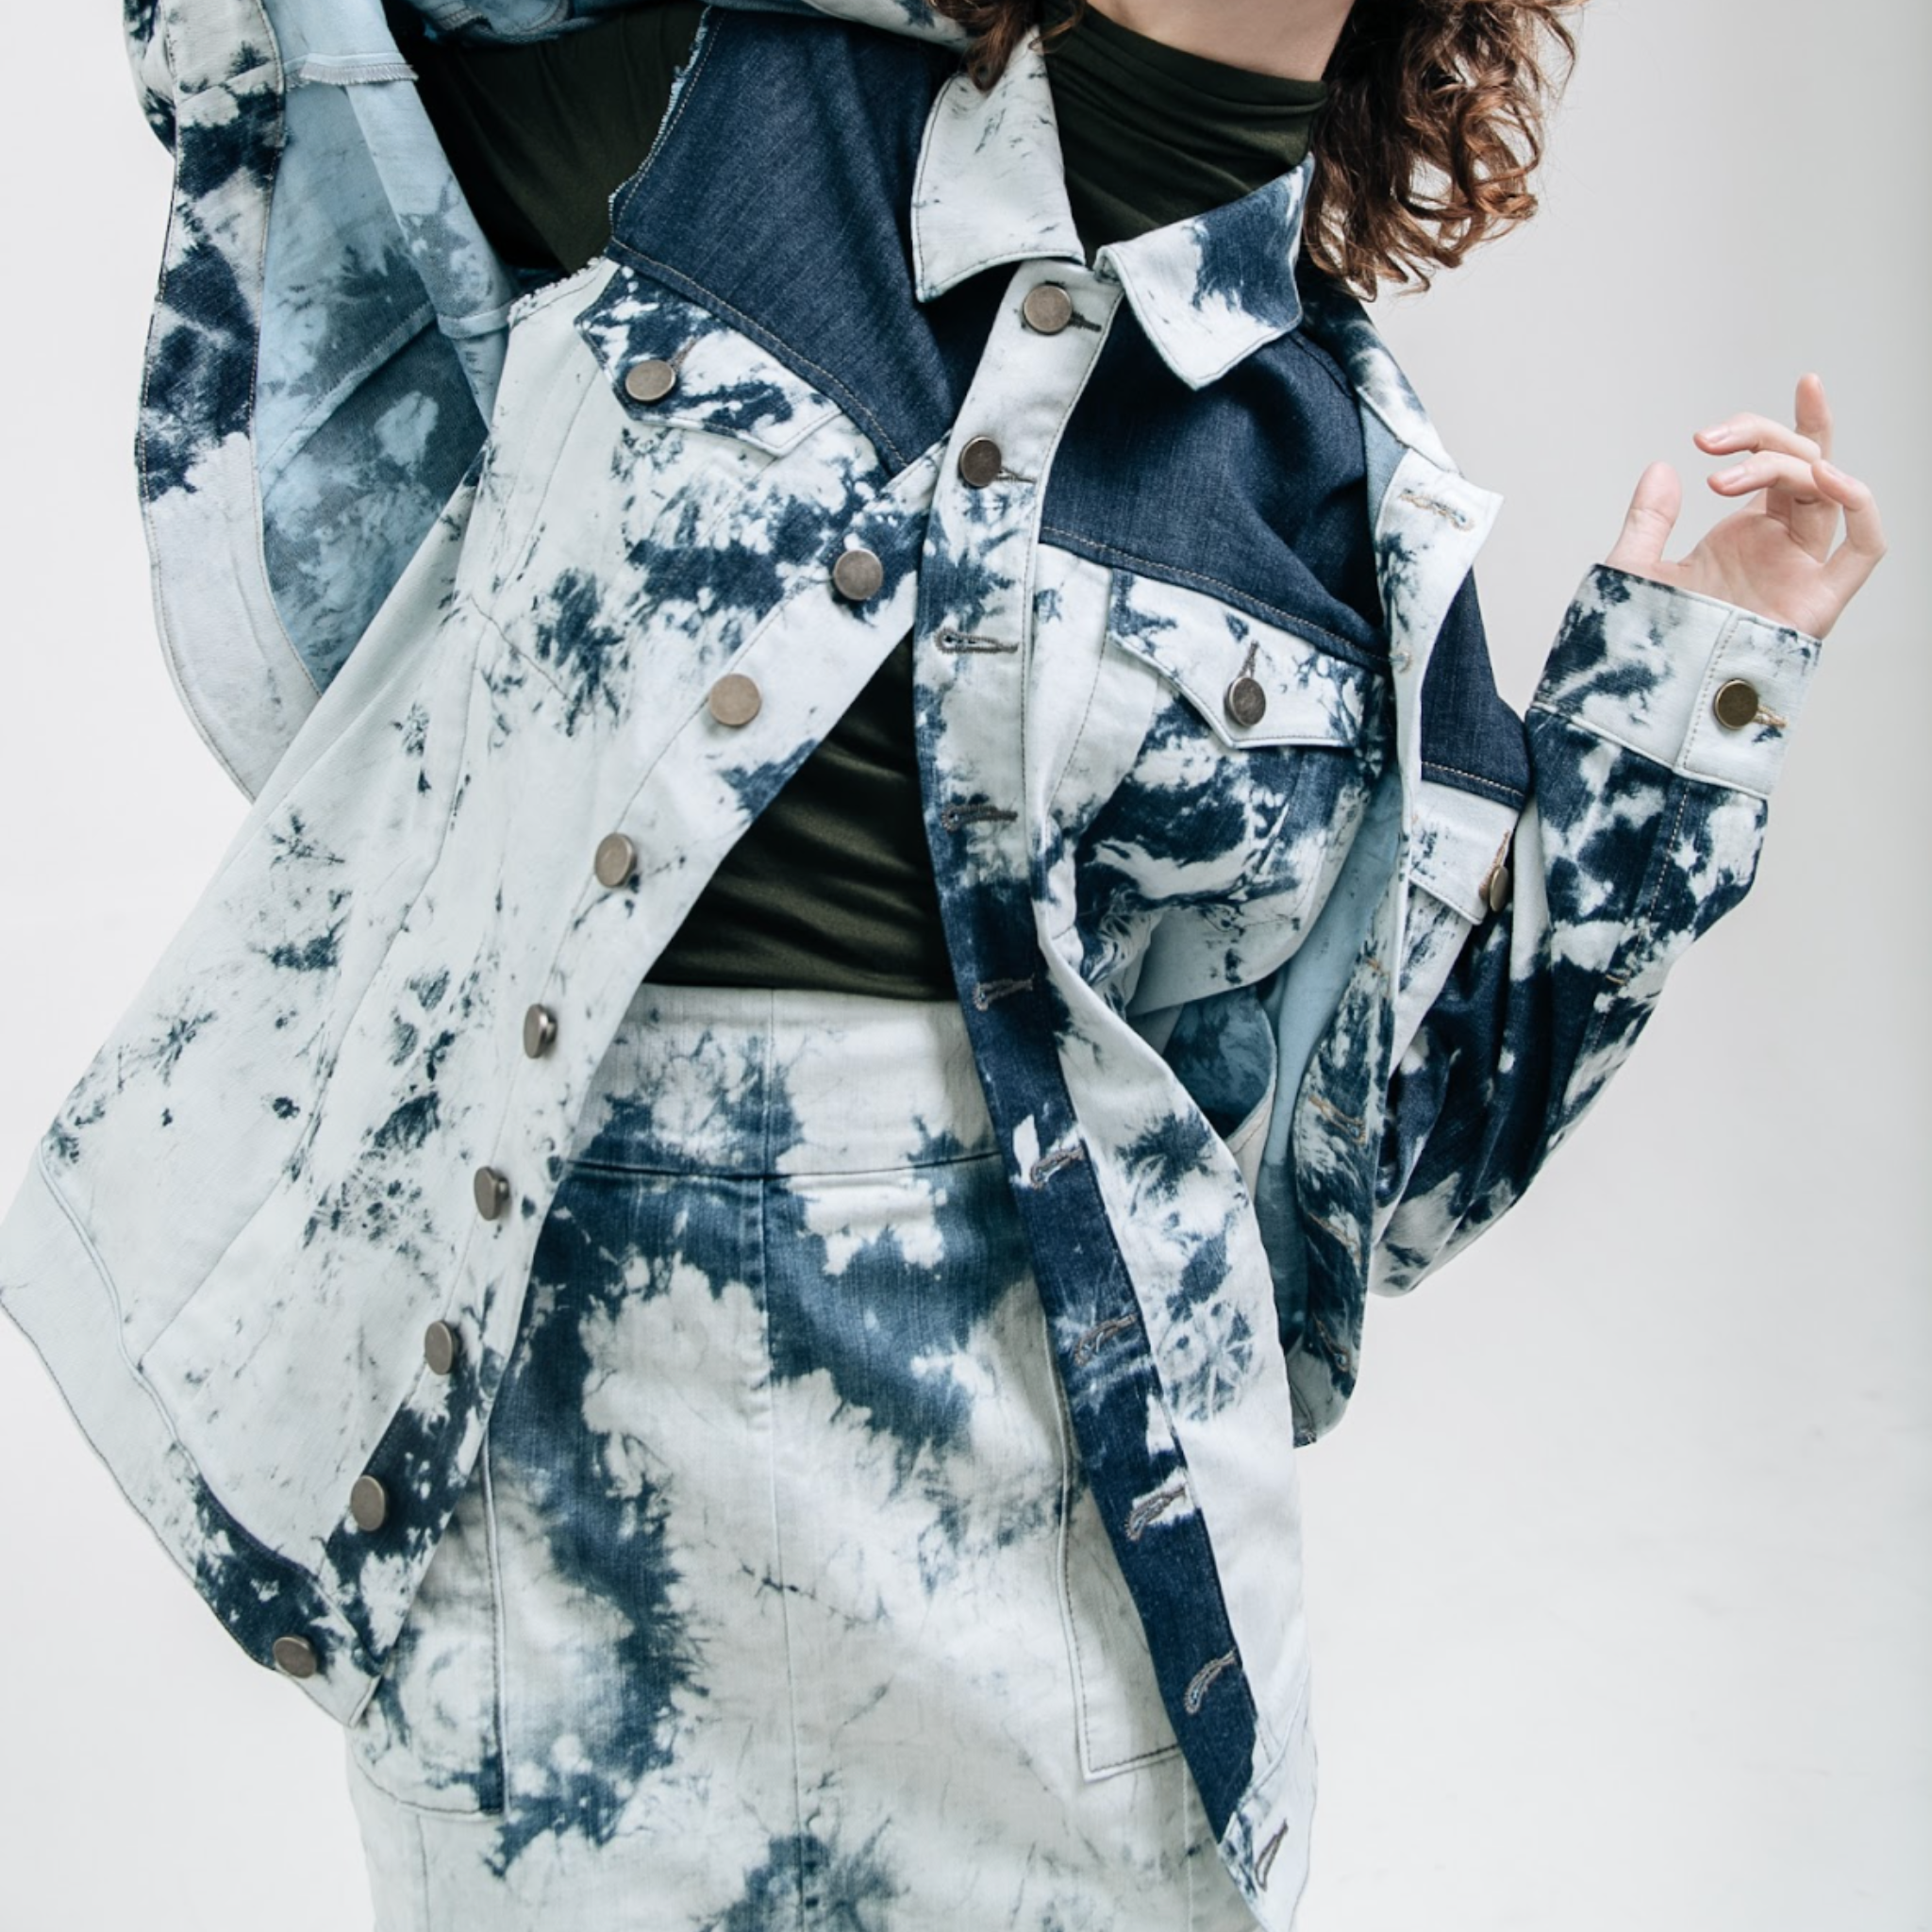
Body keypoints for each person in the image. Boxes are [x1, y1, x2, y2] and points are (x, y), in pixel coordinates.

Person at [0, 1, 1887, 1927]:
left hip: (1079, 1618)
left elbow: (1387, 1170)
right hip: (562, 1582)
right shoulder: (705, 108)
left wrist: (1693, 690)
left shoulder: (1340, 487)